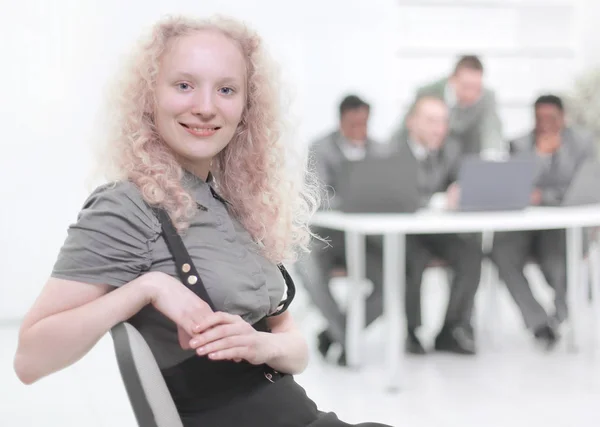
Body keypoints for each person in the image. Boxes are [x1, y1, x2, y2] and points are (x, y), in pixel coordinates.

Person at [13, 15, 392, 427]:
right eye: (184, 85)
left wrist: (261, 346)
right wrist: (147, 287)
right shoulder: (126, 207)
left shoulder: (234, 201)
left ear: (246, 107)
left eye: (226, 89)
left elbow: (295, 349)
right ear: (149, 96)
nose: (206, 106)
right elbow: (30, 360)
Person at [489, 94, 596, 350]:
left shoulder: (583, 144)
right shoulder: (518, 145)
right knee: (501, 253)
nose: (545, 124)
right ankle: (538, 323)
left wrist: (543, 196)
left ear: (563, 118)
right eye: (539, 118)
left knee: (558, 263)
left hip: (559, 226)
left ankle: (560, 317)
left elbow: (580, 190)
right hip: (524, 226)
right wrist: (538, 155)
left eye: (552, 118)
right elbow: (514, 187)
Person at [295, 95, 388, 365]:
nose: (360, 128)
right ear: (341, 121)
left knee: (392, 281)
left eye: (364, 122)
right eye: (354, 123)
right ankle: (346, 338)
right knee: (308, 270)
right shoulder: (320, 148)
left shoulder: (380, 151)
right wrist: (352, 199)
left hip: (364, 240)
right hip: (326, 238)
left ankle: (335, 335)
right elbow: (316, 197)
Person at [397, 96, 482, 355]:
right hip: (406, 234)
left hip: (440, 232)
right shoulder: (392, 151)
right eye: (432, 121)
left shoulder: (451, 149)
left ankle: (452, 328)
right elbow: (398, 196)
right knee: (412, 258)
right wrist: (439, 200)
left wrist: (463, 193)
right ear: (412, 122)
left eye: (444, 121)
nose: (439, 129)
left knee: (471, 252)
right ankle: (411, 331)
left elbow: (462, 183)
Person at [391, 55, 504, 156]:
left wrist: (492, 156)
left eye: (476, 88)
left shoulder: (487, 97)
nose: (471, 94)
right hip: (436, 157)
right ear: (452, 80)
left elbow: (492, 127)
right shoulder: (428, 92)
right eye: (466, 87)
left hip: (467, 155)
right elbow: (408, 125)